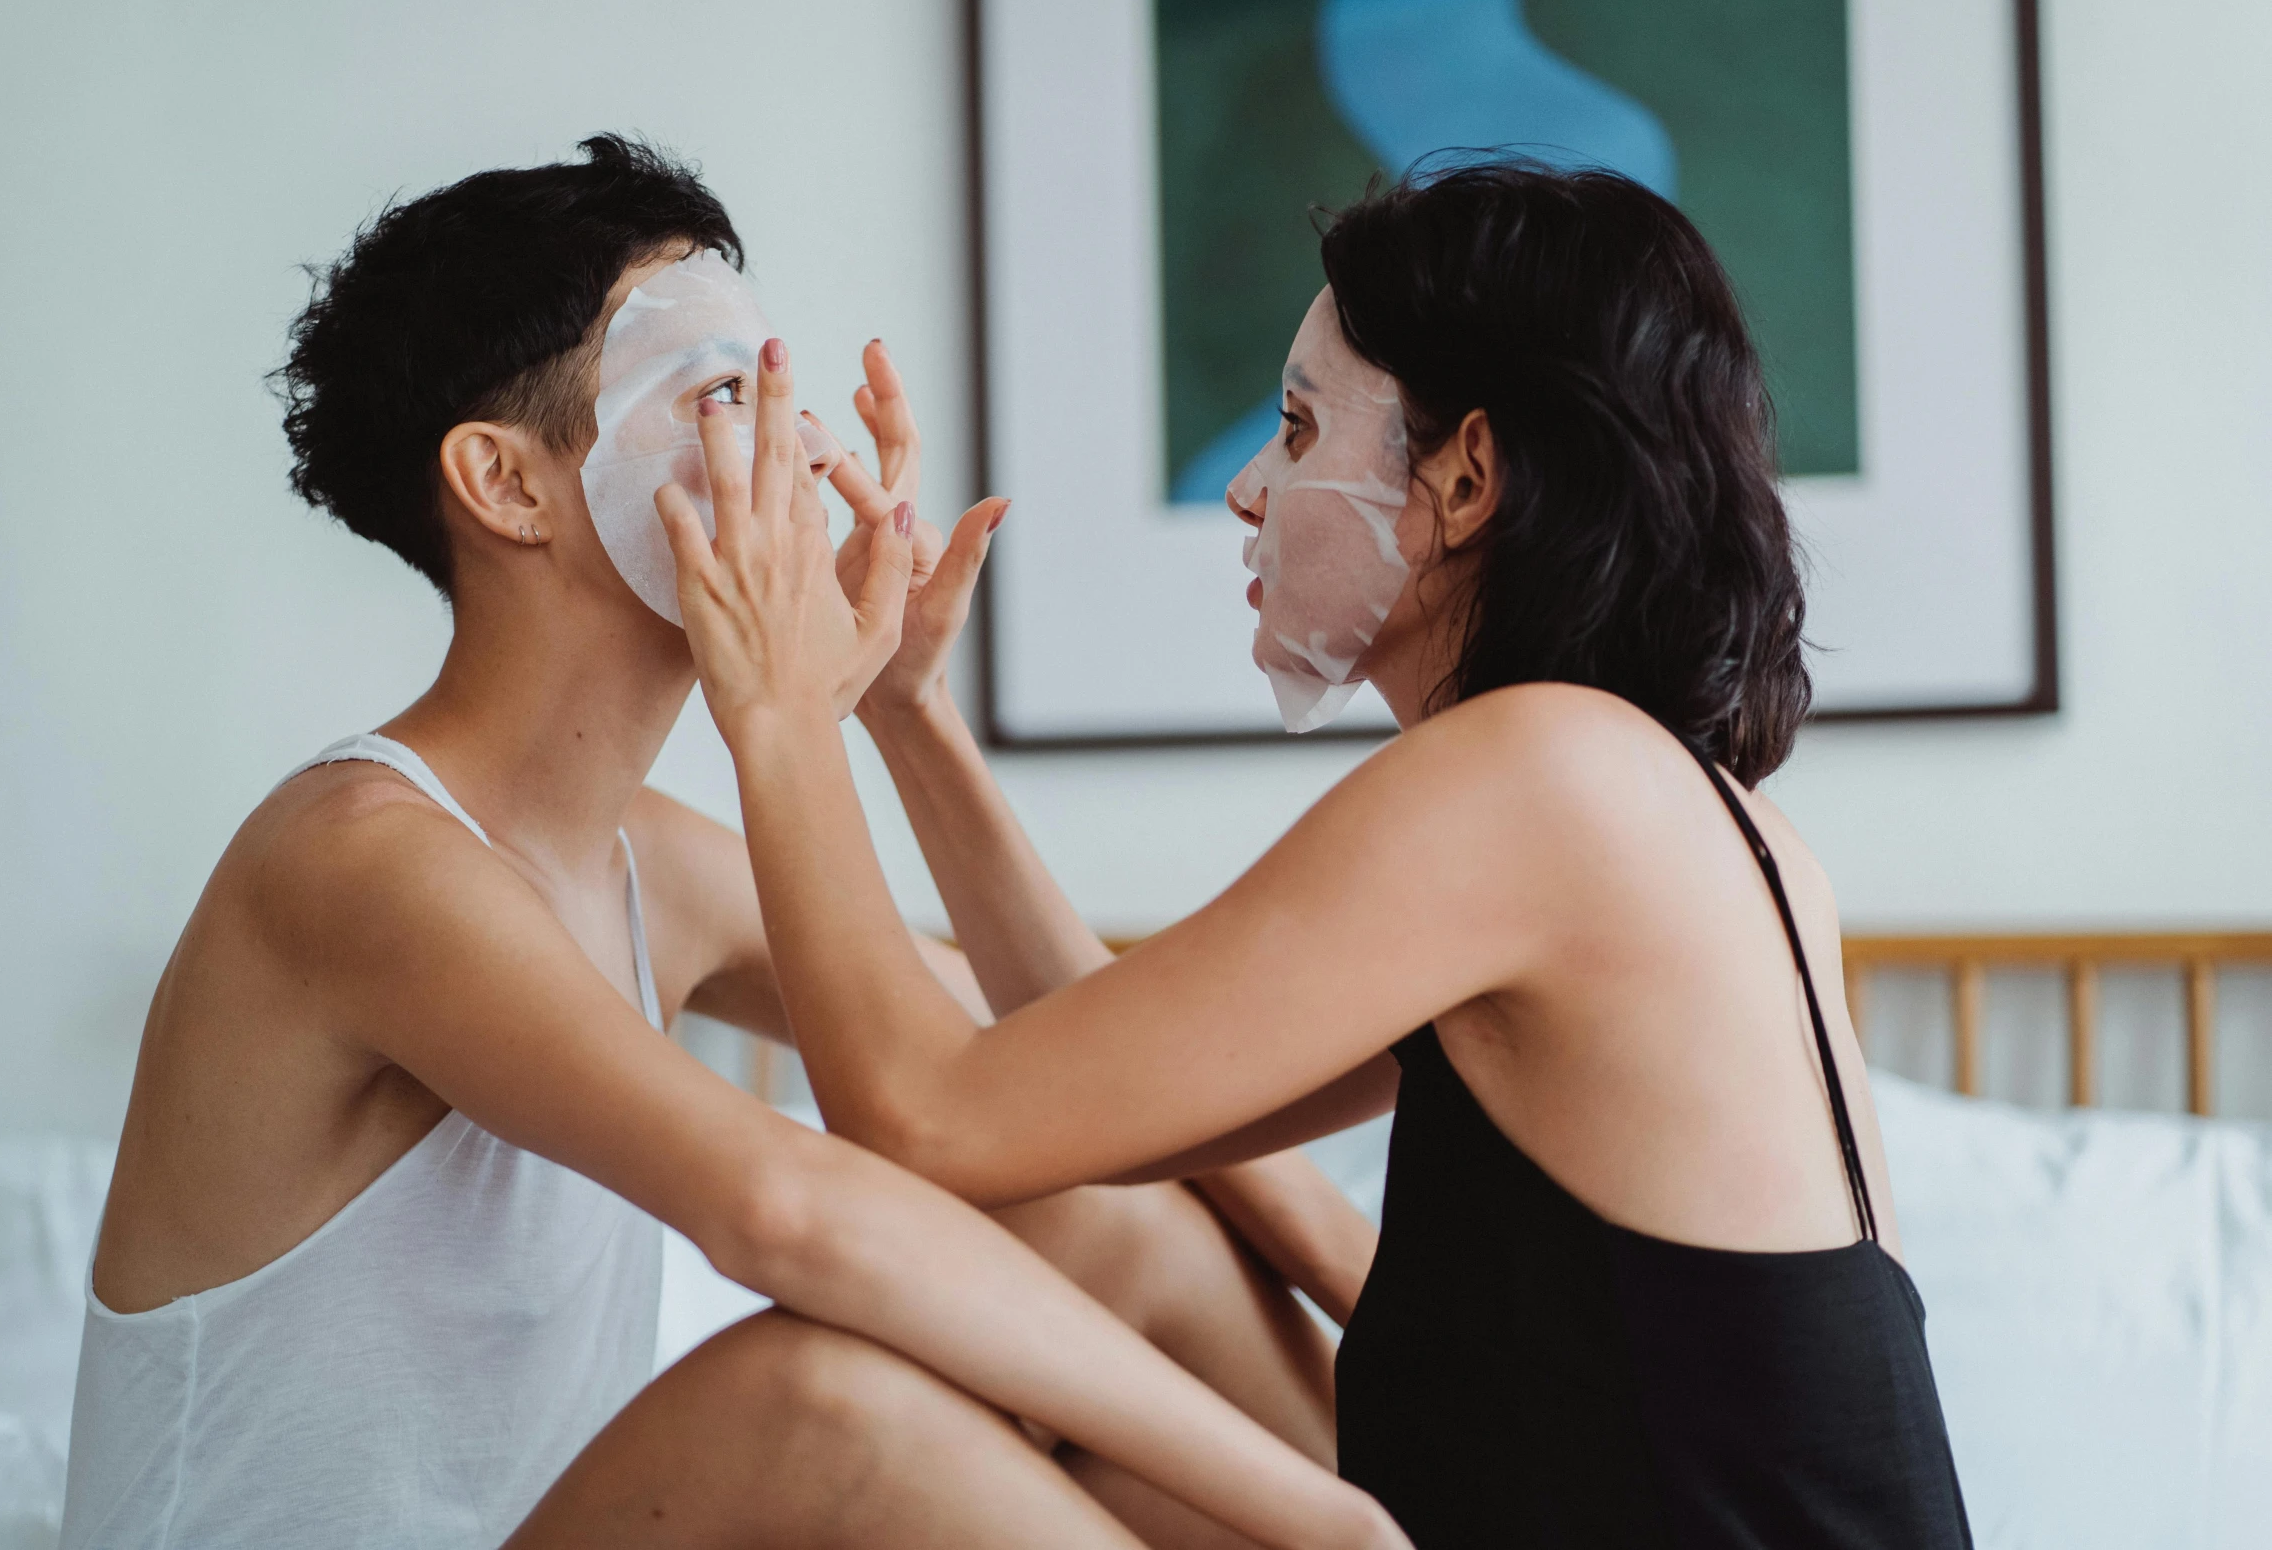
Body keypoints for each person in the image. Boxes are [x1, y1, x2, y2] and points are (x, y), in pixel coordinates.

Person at [64, 135, 1402, 1550]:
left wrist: (902, 708)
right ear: (506, 485)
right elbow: (787, 1210)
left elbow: (1062, 1072)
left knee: (1100, 1218)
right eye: (718, 398)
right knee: (821, 1406)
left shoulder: (645, 857)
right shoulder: (356, 860)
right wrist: (1315, 1517)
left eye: (777, 395)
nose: (798, 454)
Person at [655, 158, 1976, 1548]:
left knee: (810, 1410)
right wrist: (905, 716)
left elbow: (918, 1118)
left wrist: (772, 707)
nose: (1244, 489)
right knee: (1132, 1257)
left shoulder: (1532, 782)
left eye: (1293, 429)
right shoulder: (1672, 810)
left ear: (1465, 477)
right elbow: (1083, 1084)